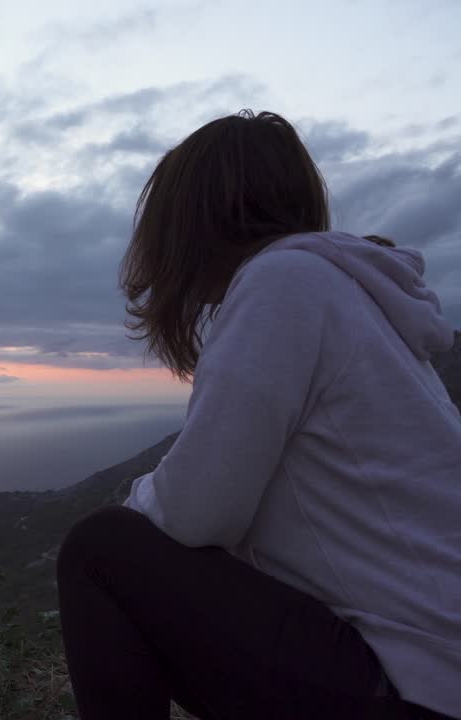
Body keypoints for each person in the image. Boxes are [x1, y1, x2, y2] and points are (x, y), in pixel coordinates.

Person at [56, 110, 461, 719]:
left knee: (98, 551)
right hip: (431, 660)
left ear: (196, 219)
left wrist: (136, 503)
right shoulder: (353, 297)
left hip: (415, 676)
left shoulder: (284, 283)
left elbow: (198, 514)